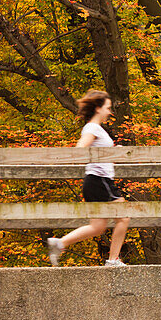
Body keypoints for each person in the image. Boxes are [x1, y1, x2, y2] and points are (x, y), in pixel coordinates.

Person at [46, 90, 130, 268]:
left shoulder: (97, 129)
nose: (109, 112)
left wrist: (113, 152)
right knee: (123, 218)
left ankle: (60, 243)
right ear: (98, 108)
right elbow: (81, 147)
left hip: (96, 181)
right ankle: (113, 260)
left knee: (98, 227)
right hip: (100, 180)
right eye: (107, 108)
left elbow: (98, 153)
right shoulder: (92, 128)